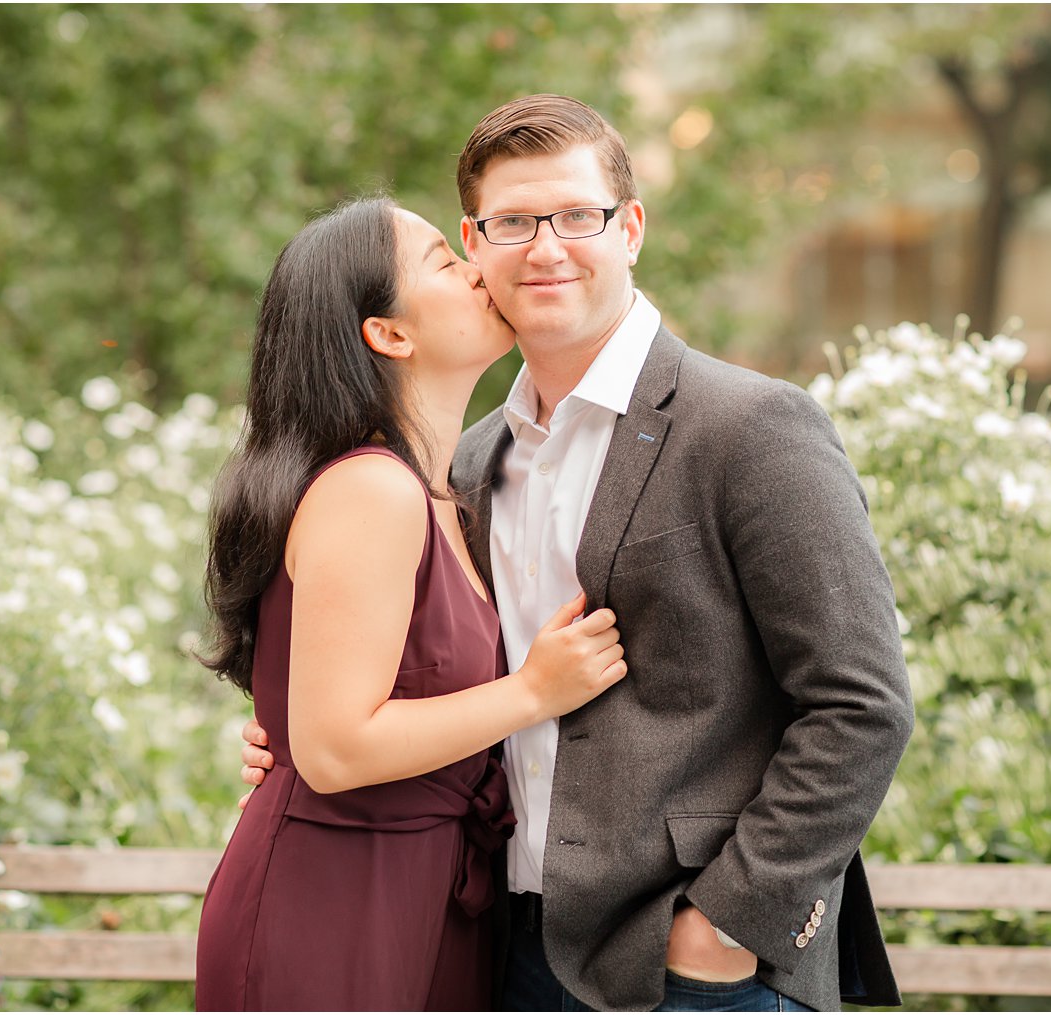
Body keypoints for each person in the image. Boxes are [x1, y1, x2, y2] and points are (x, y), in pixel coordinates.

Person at [238, 95, 915, 1012]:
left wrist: (725, 924)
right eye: (513, 222)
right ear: (476, 244)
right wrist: (307, 739)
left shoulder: (752, 426)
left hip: (692, 968)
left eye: (576, 216)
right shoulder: (467, 465)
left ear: (629, 228)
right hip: (501, 945)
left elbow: (861, 703)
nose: (545, 247)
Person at [194, 196, 629, 1011]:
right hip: (334, 903)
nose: (478, 271)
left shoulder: (448, 493)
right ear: (388, 333)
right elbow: (333, 750)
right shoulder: (371, 489)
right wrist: (533, 691)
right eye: (442, 260)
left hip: (432, 893)